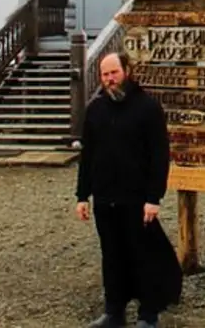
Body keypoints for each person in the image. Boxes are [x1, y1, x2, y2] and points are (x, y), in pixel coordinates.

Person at [76, 52, 182, 328]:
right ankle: (114, 312)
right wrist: (81, 195)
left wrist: (153, 198)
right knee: (111, 256)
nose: (110, 79)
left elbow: (159, 156)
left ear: (127, 71)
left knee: (143, 255)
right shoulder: (96, 109)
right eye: (105, 74)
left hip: (136, 199)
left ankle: (148, 315)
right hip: (104, 198)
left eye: (114, 73)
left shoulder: (147, 108)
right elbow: (88, 156)